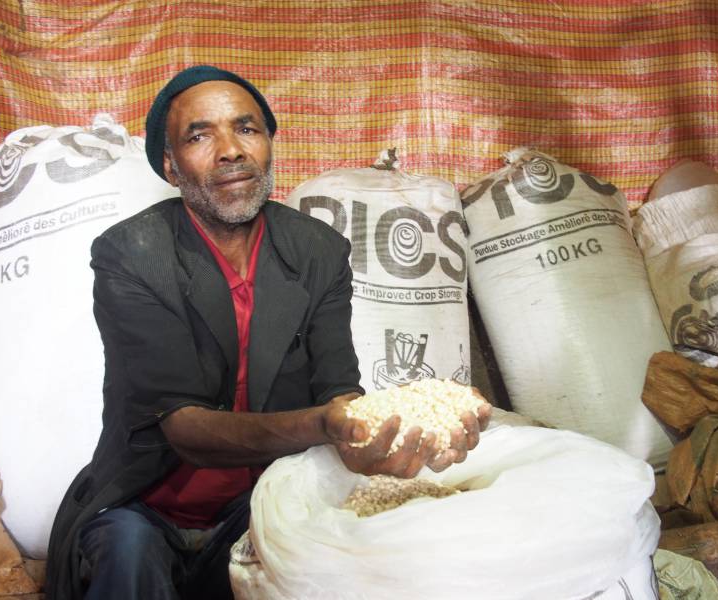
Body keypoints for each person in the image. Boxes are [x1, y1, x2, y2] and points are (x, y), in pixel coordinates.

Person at [45, 65, 491, 600]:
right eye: (200, 135)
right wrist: (330, 424)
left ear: (269, 144)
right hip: (142, 504)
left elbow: (338, 390)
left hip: (256, 501)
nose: (231, 150)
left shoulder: (318, 252)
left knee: (328, 557)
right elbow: (184, 428)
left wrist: (370, 439)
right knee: (129, 554)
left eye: (247, 128)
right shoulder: (133, 254)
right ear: (170, 165)